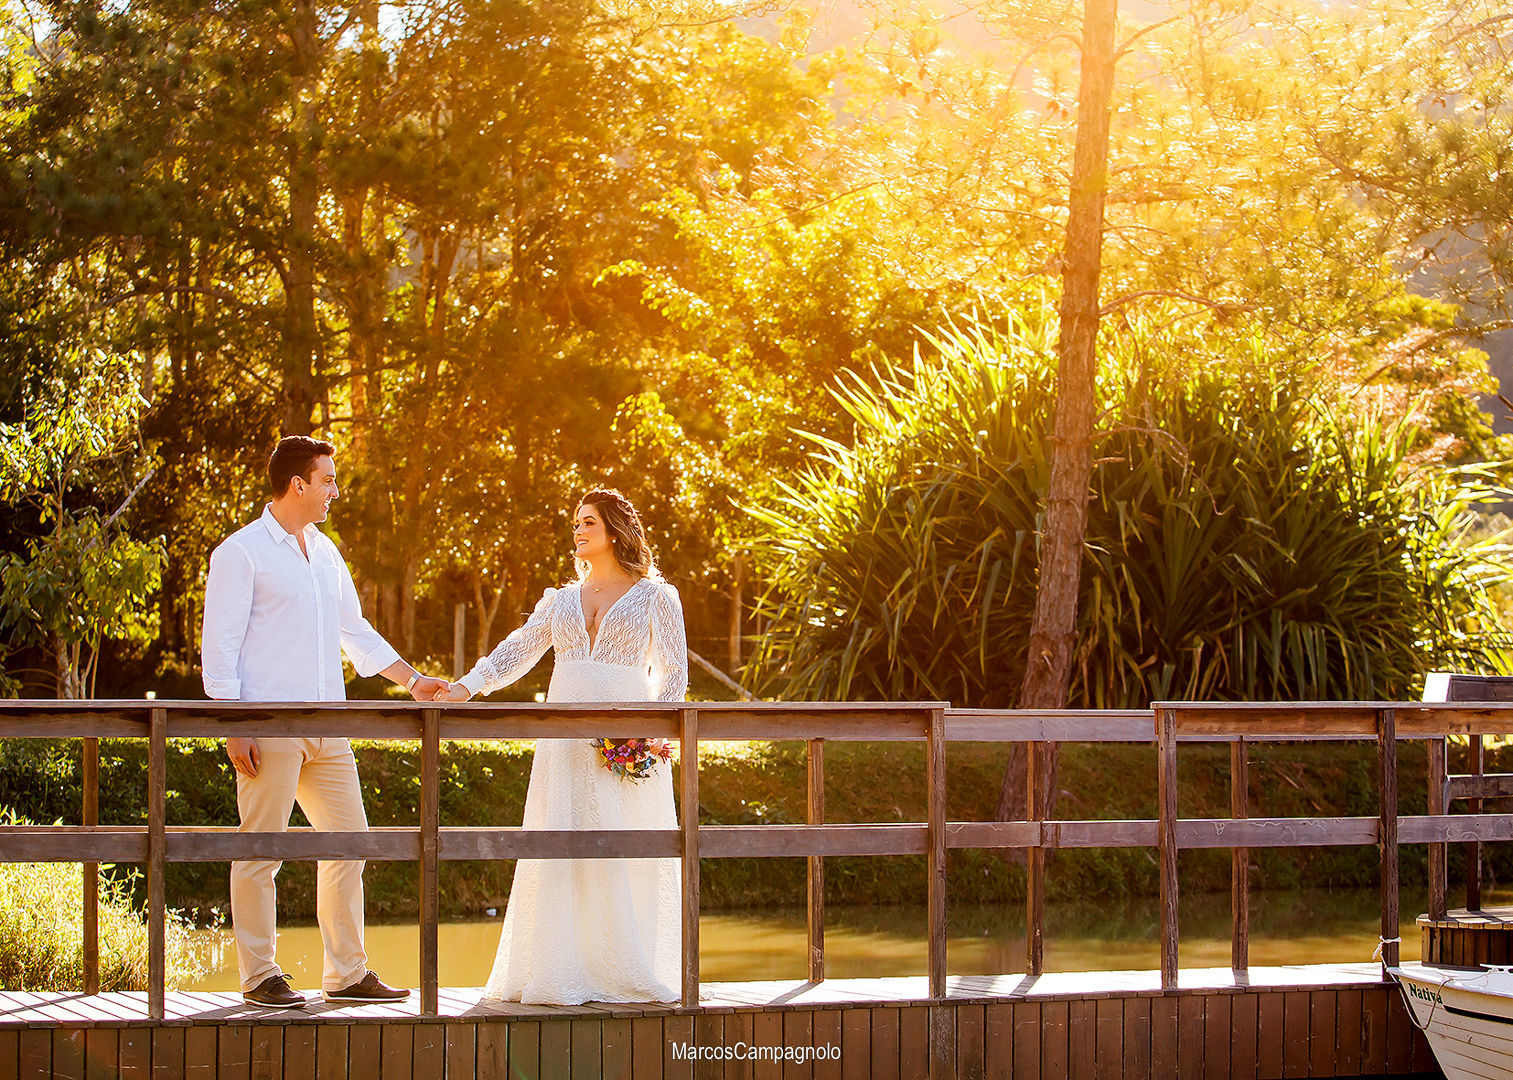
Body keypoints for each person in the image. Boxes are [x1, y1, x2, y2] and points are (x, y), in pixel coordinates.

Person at [201, 435, 448, 1008]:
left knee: (350, 842)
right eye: (329, 480)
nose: (335, 491)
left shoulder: (327, 553)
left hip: (328, 728)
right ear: (299, 484)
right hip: (270, 728)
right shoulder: (240, 553)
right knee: (261, 851)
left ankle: (346, 972)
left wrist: (414, 681)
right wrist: (234, 723)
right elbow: (220, 649)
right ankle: (260, 975)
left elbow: (354, 632)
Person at [442, 488, 687, 1004]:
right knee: (561, 845)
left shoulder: (655, 597)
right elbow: (522, 647)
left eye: (589, 523)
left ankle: (625, 969)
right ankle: (560, 969)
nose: (578, 531)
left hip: (630, 745)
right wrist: (467, 685)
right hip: (563, 746)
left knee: (622, 850)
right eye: (576, 522)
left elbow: (673, 676)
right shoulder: (559, 601)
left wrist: (647, 736)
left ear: (615, 531)